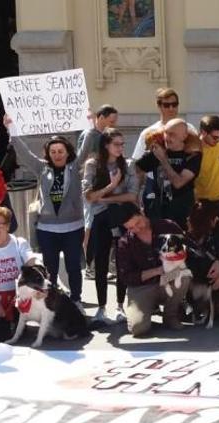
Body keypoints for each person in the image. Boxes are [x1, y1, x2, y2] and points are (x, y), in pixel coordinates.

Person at [5, 114, 95, 308]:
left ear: (67, 152)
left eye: (60, 151)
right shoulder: (41, 168)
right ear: (48, 153)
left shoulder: (75, 166)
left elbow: (86, 148)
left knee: (73, 267)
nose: (57, 154)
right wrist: (11, 129)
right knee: (50, 270)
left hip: (73, 228)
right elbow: (25, 153)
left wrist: (90, 125)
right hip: (47, 229)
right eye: (53, 151)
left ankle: (76, 299)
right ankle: (52, 302)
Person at [82, 128, 139, 323]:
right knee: (101, 262)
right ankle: (101, 307)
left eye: (122, 144)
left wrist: (105, 198)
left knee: (122, 261)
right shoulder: (93, 164)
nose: (121, 148)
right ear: (106, 145)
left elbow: (132, 195)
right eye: (116, 144)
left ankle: (120, 306)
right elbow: (88, 196)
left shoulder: (128, 164)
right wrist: (111, 187)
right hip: (100, 218)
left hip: (122, 217)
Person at [116, 203, 192, 337]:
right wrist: (157, 271)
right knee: (138, 329)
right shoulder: (125, 243)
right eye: (130, 228)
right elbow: (126, 277)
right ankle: (143, 313)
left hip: (168, 279)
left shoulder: (167, 226)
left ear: (142, 212)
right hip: (142, 287)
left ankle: (171, 315)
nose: (136, 229)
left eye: (138, 223)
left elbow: (190, 248)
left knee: (184, 275)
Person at [134, 118, 202, 228]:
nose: (167, 137)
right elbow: (135, 171)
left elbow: (179, 183)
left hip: (181, 214)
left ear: (184, 136)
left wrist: (163, 160)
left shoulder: (192, 156)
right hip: (157, 212)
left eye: (172, 134)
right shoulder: (158, 151)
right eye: (166, 133)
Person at [79, 104, 119, 281]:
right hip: (92, 188)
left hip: (104, 188)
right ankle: (89, 266)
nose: (113, 124)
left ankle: (97, 265)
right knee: (89, 227)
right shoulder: (89, 135)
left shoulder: (104, 136)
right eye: (111, 120)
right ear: (100, 117)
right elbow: (81, 159)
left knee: (102, 228)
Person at [0, 207, 37, 343]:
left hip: (17, 300)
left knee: (8, 335)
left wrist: (38, 278)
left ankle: (15, 323)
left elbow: (32, 262)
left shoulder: (19, 243)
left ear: (7, 226)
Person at [131, 88, 197, 160]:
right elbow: (136, 160)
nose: (171, 108)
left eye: (174, 104)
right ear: (159, 106)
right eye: (166, 105)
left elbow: (197, 156)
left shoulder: (189, 129)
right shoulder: (148, 132)